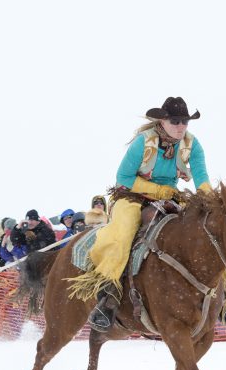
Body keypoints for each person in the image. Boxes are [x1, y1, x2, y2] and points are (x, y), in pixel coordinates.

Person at [85, 97, 213, 331]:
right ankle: (108, 297)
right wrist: (156, 189)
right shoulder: (142, 143)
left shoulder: (192, 145)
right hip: (131, 196)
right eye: (175, 121)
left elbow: (202, 178)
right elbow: (123, 178)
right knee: (122, 234)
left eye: (185, 121)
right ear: (162, 121)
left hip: (171, 197)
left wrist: (210, 199)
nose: (181, 126)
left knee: (203, 230)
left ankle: (221, 299)